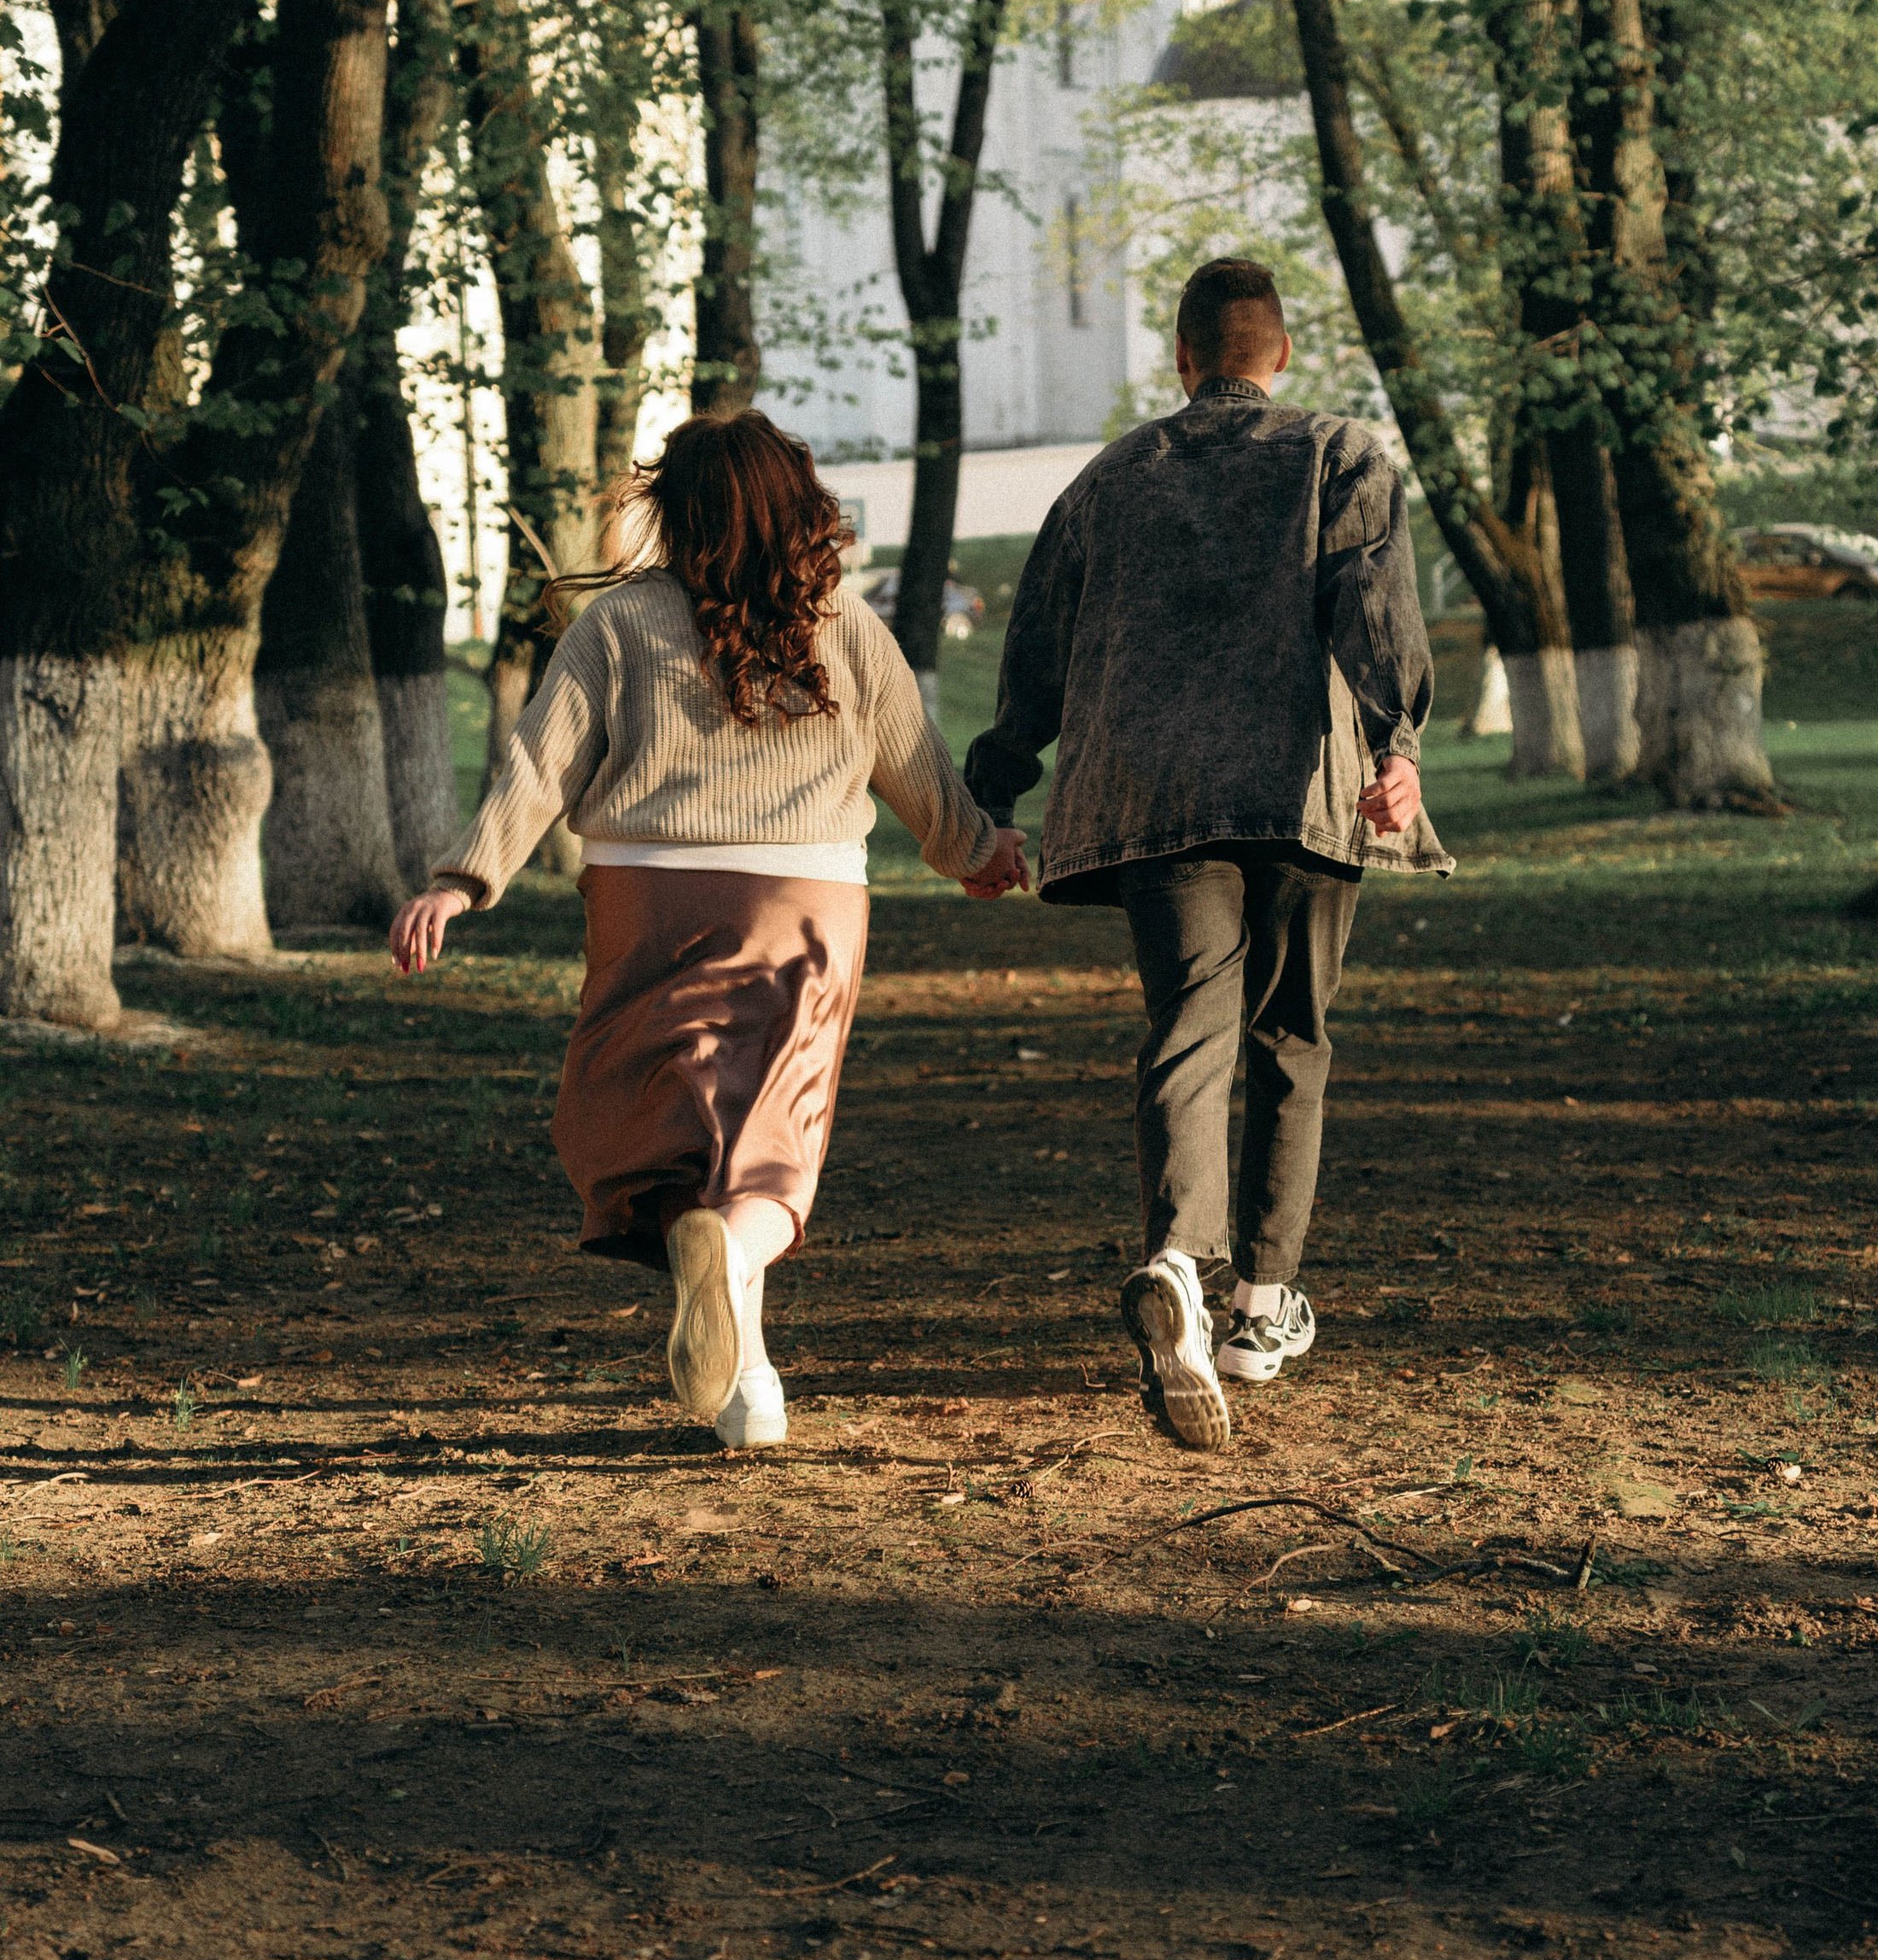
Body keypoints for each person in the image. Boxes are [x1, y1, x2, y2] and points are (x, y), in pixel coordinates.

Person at [389, 413, 1019, 1449]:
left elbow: (537, 766)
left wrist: (462, 882)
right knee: (772, 1143)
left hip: (645, 901)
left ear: (672, 510)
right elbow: (914, 763)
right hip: (803, 902)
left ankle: (746, 1389)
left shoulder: (617, 624)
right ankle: (735, 1289)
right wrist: (975, 850)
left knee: (674, 1137)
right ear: (795, 502)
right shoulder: (842, 622)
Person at [965, 257, 1440, 1453]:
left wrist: (998, 783)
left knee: (1189, 1025)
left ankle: (1179, 1257)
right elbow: (1370, 606)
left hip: (1155, 795)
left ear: (1183, 361)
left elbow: (1040, 646)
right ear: (1278, 353)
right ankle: (1262, 1306)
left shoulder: (1109, 479)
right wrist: (1397, 742)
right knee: (1292, 1040)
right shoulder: (1341, 454)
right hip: (1299, 790)